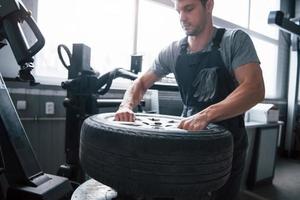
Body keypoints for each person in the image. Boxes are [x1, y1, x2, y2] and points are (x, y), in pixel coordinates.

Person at [115, 0, 265, 199]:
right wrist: (126, 105)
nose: (182, 18)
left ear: (209, 5)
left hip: (227, 144)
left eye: (189, 8)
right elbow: (140, 83)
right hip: (187, 140)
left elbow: (254, 88)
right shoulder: (173, 51)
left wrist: (206, 115)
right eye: (178, 11)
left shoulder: (234, 40)